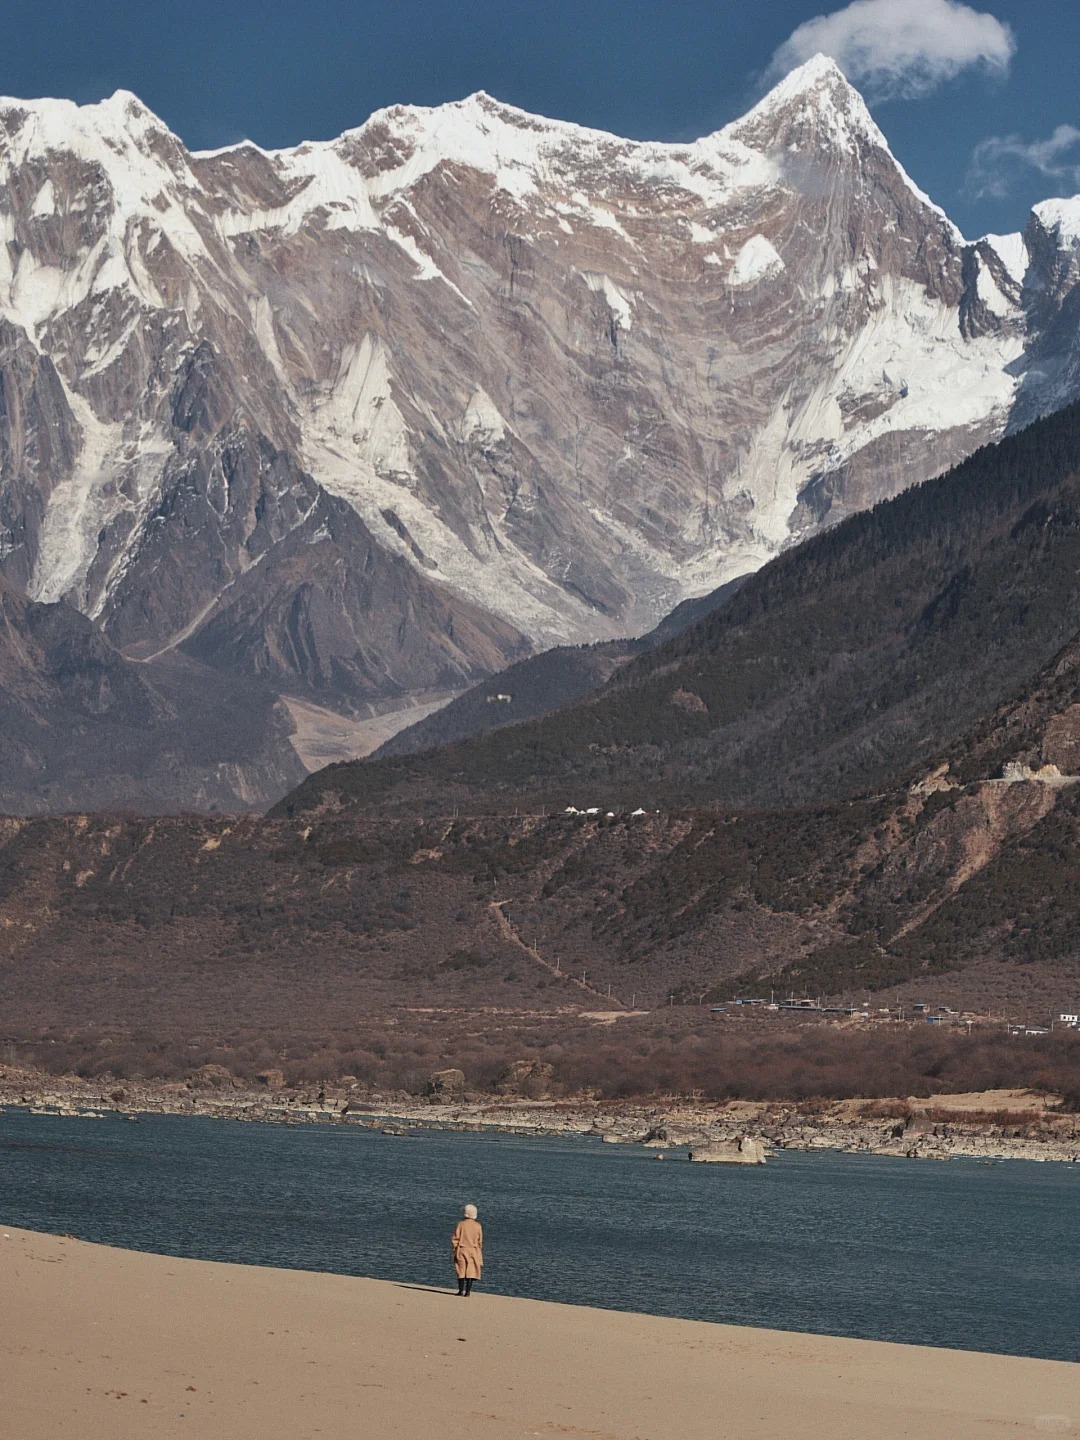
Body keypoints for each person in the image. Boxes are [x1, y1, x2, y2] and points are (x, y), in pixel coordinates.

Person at [451, 1203, 483, 1296]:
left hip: (462, 1249)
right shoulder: (478, 1226)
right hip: (473, 1250)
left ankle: (461, 1291)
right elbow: (480, 1240)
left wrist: (455, 1248)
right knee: (471, 1271)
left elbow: (455, 1238)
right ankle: (468, 1292)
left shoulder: (461, 1224)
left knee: (461, 1270)